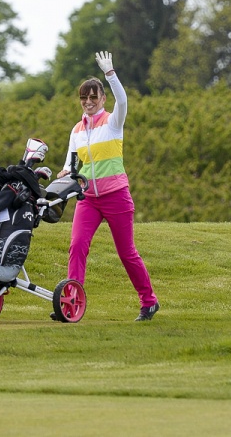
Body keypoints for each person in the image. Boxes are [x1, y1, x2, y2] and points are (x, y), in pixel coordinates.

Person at [56, 51, 160, 322]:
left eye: (93, 97)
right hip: (88, 199)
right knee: (77, 246)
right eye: (84, 97)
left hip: (116, 196)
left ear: (102, 98)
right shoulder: (77, 130)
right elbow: (72, 163)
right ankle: (71, 304)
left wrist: (110, 74)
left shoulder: (113, 122)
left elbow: (123, 100)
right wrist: (66, 171)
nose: (88, 102)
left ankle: (149, 301)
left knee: (127, 253)